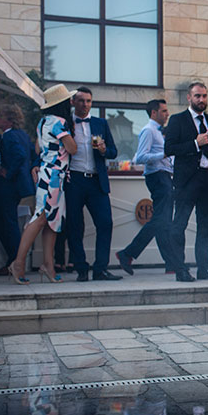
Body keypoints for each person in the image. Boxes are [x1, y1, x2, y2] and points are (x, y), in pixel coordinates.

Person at [9, 85, 77, 284]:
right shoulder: (59, 122)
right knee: (40, 219)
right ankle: (18, 263)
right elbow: (73, 149)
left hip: (48, 174)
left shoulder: (43, 122)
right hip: (54, 176)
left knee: (50, 222)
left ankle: (47, 264)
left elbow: (38, 148)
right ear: (64, 104)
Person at [164, 82, 208, 282]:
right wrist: (195, 144)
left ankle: (203, 268)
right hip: (187, 181)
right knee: (179, 225)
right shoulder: (177, 120)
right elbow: (169, 148)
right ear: (189, 97)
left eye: (204, 96)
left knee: (205, 227)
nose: (201, 100)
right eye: (197, 96)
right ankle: (180, 269)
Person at [65, 87, 121, 282]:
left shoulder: (100, 123)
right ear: (73, 102)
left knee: (105, 223)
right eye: (81, 101)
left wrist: (105, 149)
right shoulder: (65, 124)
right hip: (74, 179)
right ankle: (81, 268)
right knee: (74, 225)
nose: (85, 104)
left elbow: (114, 152)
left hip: (97, 180)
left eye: (89, 101)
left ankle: (100, 269)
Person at [117, 99, 174, 274]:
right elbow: (140, 157)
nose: (167, 114)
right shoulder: (148, 131)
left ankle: (171, 263)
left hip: (164, 175)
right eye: (163, 111)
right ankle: (128, 253)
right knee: (161, 220)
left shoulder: (159, 132)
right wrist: (163, 154)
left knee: (163, 221)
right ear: (154, 113)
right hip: (157, 176)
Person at [0, 105, 35, 274]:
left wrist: (8, 173)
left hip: (10, 185)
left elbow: (20, 156)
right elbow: (31, 154)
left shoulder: (8, 136)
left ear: (8, 120)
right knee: (10, 221)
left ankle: (17, 259)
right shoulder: (23, 135)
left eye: (0, 116)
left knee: (9, 222)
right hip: (21, 185)